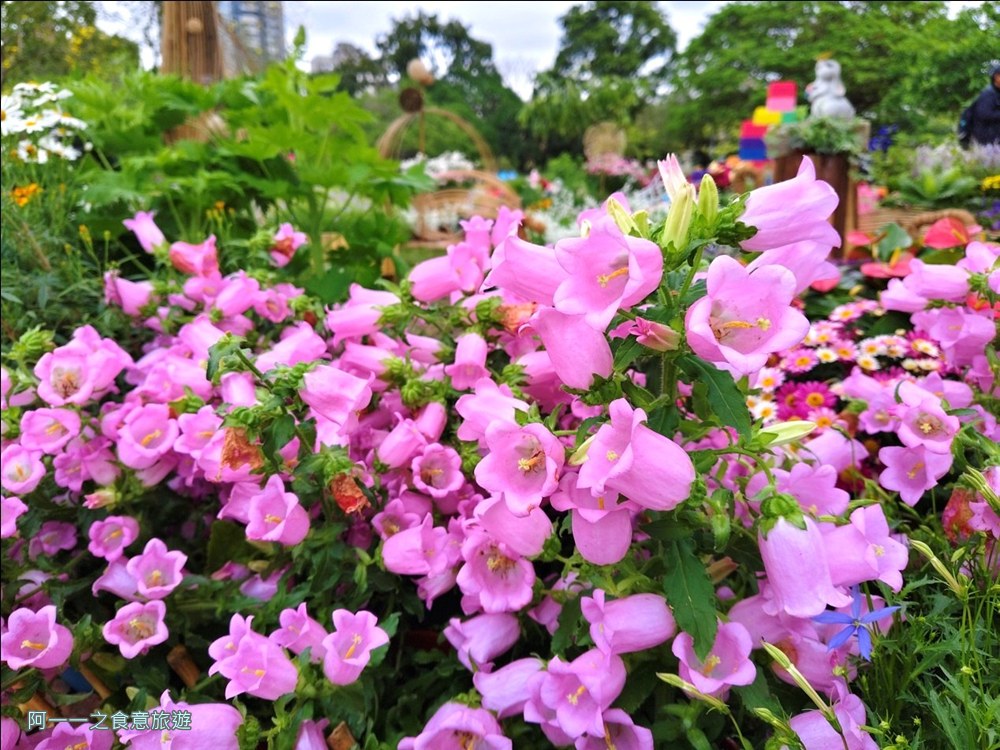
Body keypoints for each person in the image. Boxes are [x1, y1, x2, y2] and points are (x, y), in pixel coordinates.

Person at [958, 64, 1000, 147]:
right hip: (987, 139)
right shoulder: (989, 94)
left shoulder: (997, 93)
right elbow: (985, 114)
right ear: (996, 77)